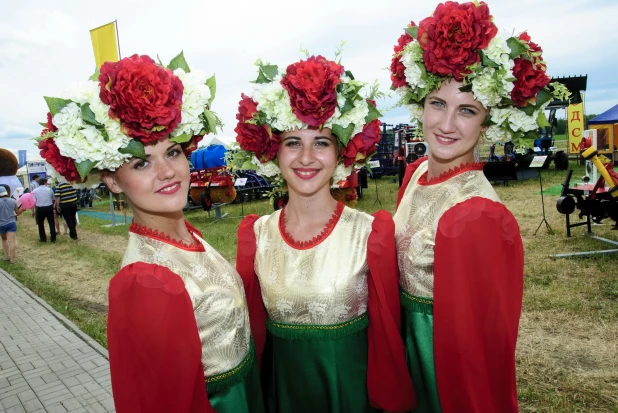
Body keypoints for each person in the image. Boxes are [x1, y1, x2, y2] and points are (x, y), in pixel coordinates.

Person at [37, 53, 264, 413]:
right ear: (112, 180)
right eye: (141, 163)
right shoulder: (146, 281)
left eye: (172, 152)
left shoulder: (189, 237)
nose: (167, 172)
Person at [388, 2, 570, 412]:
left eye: (466, 110)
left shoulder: (479, 214)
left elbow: (481, 348)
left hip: (439, 375)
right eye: (437, 103)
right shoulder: (416, 174)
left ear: (487, 122)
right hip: (405, 361)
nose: (447, 124)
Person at [232, 54, 415, 413]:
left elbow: (388, 342)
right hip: (281, 395)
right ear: (273, 151)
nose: (306, 158)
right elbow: (251, 340)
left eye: (321, 142)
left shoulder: (369, 234)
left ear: (341, 153)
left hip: (348, 394)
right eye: (292, 142)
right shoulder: (256, 235)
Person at [0, 186, 22, 263]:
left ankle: (8, 255)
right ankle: (12, 259)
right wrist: (22, 209)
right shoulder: (13, 201)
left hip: (1, 224)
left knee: (4, 239)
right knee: (12, 241)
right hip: (11, 223)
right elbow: (17, 213)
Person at [32, 177, 56, 243]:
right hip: (49, 207)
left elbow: (33, 201)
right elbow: (53, 199)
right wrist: (52, 206)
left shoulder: (35, 191)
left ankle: (43, 238)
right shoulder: (49, 190)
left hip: (39, 208)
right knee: (51, 223)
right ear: (45, 182)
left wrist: (33, 211)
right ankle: (53, 238)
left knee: (40, 224)